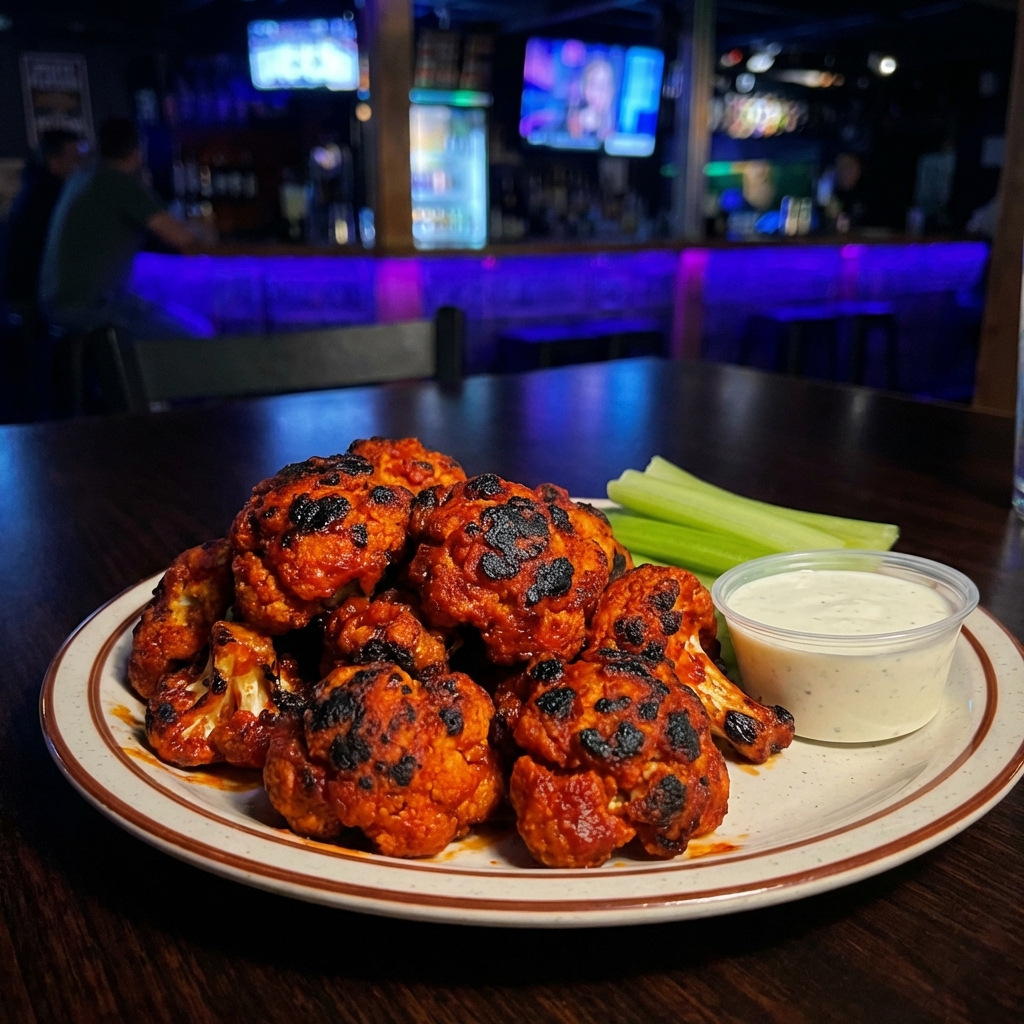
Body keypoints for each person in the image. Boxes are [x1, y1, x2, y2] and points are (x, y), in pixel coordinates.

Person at [39, 117, 211, 339]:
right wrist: (203, 230)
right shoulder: (119, 183)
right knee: (197, 334)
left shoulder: (81, 178)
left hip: (56, 302)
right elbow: (181, 237)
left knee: (153, 307)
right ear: (138, 151)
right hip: (87, 307)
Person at [5, 130, 84, 314]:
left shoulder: (33, 189)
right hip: (37, 297)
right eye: (75, 159)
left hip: (23, 293)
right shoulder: (52, 197)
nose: (82, 166)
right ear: (53, 162)